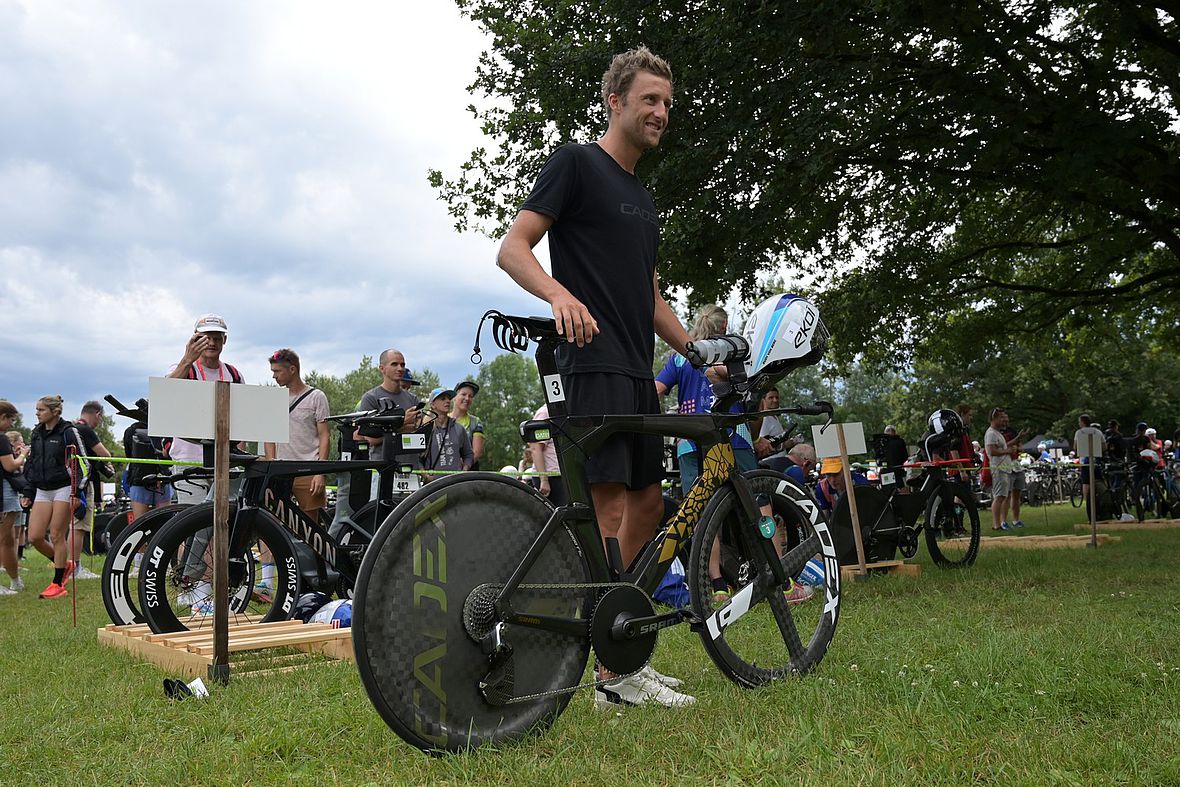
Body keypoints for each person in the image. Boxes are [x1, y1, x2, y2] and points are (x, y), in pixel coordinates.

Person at [497, 46, 695, 708]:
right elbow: (512, 246)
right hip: (589, 364)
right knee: (609, 504)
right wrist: (557, 295)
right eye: (649, 100)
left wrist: (693, 348)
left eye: (667, 102)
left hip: (639, 371)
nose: (661, 112)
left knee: (646, 504)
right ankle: (612, 673)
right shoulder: (577, 164)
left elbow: (649, 294)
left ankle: (620, 654)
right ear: (615, 102)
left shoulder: (642, 196)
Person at [167, 314, 245, 504]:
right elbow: (166, 396)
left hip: (225, 459)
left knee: (228, 519)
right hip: (188, 458)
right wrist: (187, 359)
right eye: (206, 337)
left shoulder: (233, 374)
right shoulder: (184, 368)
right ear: (194, 338)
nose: (211, 342)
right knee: (194, 522)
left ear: (224, 340)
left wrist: (239, 456)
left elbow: (243, 418)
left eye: (217, 338)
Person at [24, 396, 86, 598]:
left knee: (57, 534)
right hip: (42, 489)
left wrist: (77, 492)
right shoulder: (36, 433)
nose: (37, 413)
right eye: (36, 410)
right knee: (34, 536)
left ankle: (58, 583)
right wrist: (27, 491)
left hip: (64, 487)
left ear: (54, 412)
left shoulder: (69, 432)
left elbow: (83, 462)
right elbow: (31, 462)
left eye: (41, 410)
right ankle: (63, 564)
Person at [264, 349, 331, 518]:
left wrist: (320, 472)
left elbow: (325, 435)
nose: (274, 376)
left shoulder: (316, 397)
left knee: (309, 525)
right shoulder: (274, 398)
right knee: (271, 520)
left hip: (308, 468)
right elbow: (269, 435)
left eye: (277, 371)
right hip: (281, 469)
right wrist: (271, 467)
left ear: (292, 370)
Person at [70, 400, 113, 579]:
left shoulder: (71, 430)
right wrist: (108, 464)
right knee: (79, 527)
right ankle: (76, 569)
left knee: (73, 527)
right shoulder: (86, 430)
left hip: (71, 482)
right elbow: (105, 454)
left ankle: (70, 566)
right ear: (97, 414)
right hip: (83, 484)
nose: (100, 422)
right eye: (101, 418)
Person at [358, 349, 424, 462]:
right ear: (382, 368)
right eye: (394, 364)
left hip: (410, 467)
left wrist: (386, 430)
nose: (400, 368)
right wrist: (403, 424)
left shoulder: (412, 399)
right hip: (382, 467)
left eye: (402, 365)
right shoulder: (371, 398)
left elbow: (417, 432)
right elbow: (370, 439)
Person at [0, 401, 30, 594]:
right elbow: (10, 466)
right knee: (2, 538)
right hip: (4, 492)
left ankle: (15, 581)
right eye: (11, 419)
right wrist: (23, 455)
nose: (11, 424)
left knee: (9, 539)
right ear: (3, 417)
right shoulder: (2, 439)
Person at [984, 408, 1023, 531]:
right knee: (999, 497)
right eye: (1001, 417)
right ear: (994, 418)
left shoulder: (997, 433)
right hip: (998, 468)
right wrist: (1007, 451)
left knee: (1002, 496)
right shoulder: (991, 433)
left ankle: (999, 524)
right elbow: (991, 451)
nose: (1003, 420)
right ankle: (996, 525)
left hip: (1005, 469)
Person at [420, 387, 473, 476]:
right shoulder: (425, 429)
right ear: (433, 404)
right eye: (443, 398)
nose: (448, 401)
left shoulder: (459, 428)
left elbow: (468, 454)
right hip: (433, 485)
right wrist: (426, 477)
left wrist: (464, 470)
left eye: (449, 398)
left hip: (456, 483)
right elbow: (416, 457)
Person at [530, 403, 566, 506]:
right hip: (550, 478)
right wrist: (544, 479)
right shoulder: (544, 413)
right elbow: (536, 448)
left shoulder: (561, 413)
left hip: (561, 475)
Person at [753, 387, 796, 466]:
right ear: (763, 400)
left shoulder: (775, 417)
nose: (775, 400)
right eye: (771, 398)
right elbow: (762, 443)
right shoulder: (764, 419)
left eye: (777, 397)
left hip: (779, 462)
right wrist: (785, 444)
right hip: (770, 463)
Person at [450, 381, 486, 471]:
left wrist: (464, 466)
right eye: (463, 394)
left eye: (470, 396)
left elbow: (477, 452)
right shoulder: (443, 419)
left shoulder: (476, 422)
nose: (467, 398)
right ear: (454, 397)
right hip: (445, 470)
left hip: (468, 472)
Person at [1073, 414, 1105, 514]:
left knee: (1086, 483)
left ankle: (1089, 504)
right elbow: (1104, 446)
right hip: (1097, 460)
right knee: (1100, 480)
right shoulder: (1098, 432)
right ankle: (1103, 499)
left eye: (1079, 421)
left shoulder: (1079, 432)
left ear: (1083, 422)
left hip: (1085, 462)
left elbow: (1075, 447)